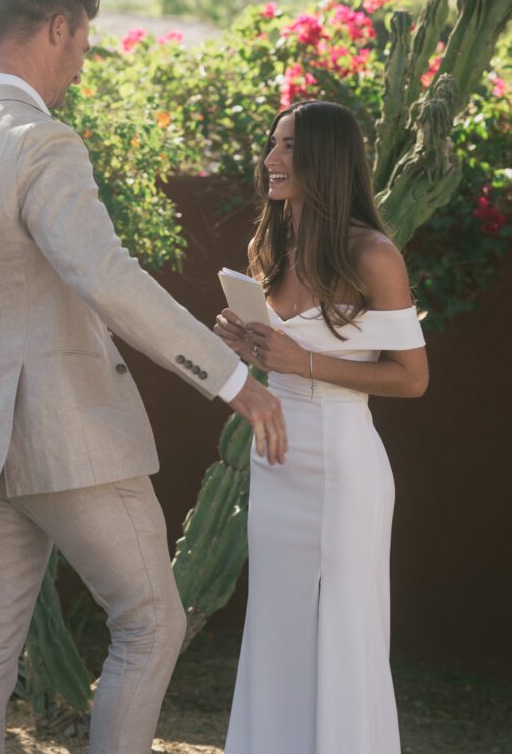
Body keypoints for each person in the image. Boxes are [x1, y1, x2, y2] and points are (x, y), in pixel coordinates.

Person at [0, 0, 287, 754]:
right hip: (71, 439)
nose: (80, 63)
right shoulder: (43, 143)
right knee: (150, 621)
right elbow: (103, 274)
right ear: (58, 29)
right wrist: (233, 380)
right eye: (81, 45)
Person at [214, 99, 428, 754]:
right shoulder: (270, 247)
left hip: (343, 466)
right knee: (275, 629)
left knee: (341, 632)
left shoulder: (373, 256)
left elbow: (411, 378)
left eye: (289, 148)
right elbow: (272, 360)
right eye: (272, 145)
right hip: (274, 466)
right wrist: (244, 343)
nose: (271, 160)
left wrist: (302, 361)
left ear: (326, 161)